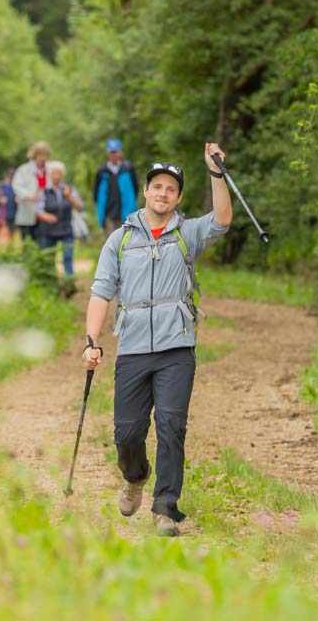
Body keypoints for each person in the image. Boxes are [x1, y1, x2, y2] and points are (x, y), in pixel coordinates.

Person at [83, 142, 232, 537]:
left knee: (171, 425)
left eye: (171, 188)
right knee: (127, 433)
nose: (163, 193)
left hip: (176, 347)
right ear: (145, 192)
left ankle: (166, 507)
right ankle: (135, 477)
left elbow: (222, 219)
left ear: (178, 197)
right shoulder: (121, 240)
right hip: (131, 348)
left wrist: (216, 173)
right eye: (157, 187)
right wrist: (91, 339)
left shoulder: (188, 233)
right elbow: (101, 291)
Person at [36, 161, 83, 278]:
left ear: (62, 175)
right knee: (48, 258)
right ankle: (50, 283)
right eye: (54, 173)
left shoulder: (69, 189)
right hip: (48, 230)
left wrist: (69, 197)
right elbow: (37, 209)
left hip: (66, 228)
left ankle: (69, 283)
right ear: (49, 174)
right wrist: (45, 216)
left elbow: (80, 207)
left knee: (68, 257)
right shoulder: (43, 190)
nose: (56, 176)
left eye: (59, 173)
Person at [93, 138, 139, 236]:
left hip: (127, 214)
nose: (114, 155)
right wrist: (101, 214)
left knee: (127, 243)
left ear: (120, 152)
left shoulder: (128, 168)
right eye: (111, 152)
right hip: (109, 214)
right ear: (108, 153)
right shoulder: (102, 171)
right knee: (111, 244)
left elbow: (135, 189)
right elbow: (96, 193)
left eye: (116, 152)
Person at [14, 141, 51, 242]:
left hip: (45, 211)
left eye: (45, 155)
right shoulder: (24, 170)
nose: (43, 158)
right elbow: (16, 186)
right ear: (34, 155)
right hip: (28, 210)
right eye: (40, 155)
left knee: (44, 243)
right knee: (28, 242)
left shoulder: (50, 169)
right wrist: (29, 196)